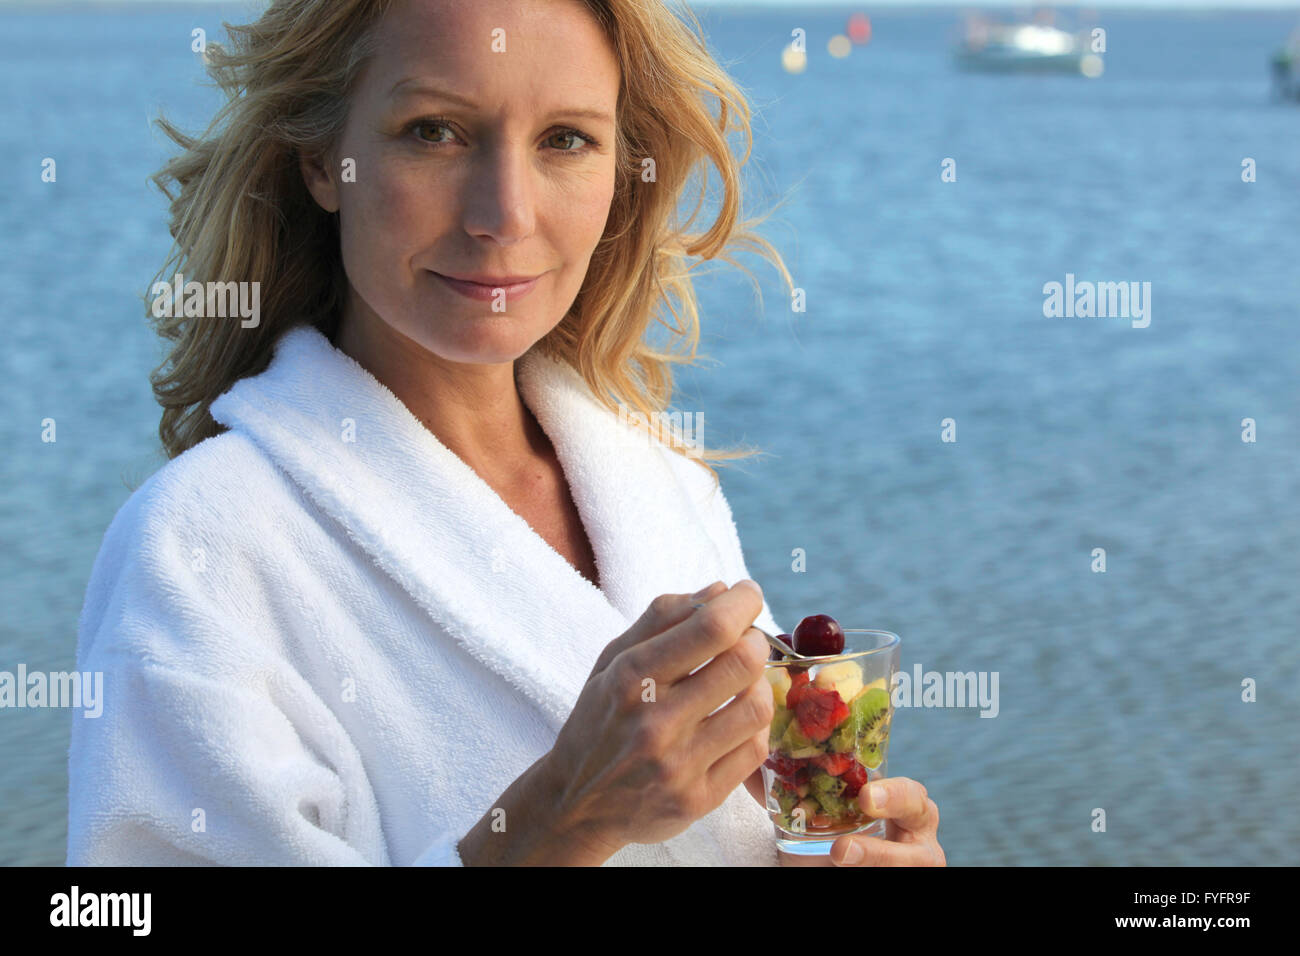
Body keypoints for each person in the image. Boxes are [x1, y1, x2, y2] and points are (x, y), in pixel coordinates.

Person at [67, 0, 945, 867]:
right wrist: (558, 818)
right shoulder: (199, 549)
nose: (504, 215)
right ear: (321, 159)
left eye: (566, 139)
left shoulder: (664, 490)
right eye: (435, 131)